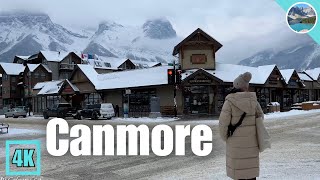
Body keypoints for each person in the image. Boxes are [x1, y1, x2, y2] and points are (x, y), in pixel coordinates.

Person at [219, 72, 269, 180]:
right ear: (246, 86)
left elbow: (223, 124)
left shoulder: (229, 101)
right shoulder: (253, 100)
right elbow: (260, 117)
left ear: (236, 85)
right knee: (250, 172)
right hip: (252, 142)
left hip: (235, 144)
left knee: (239, 173)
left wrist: (226, 137)